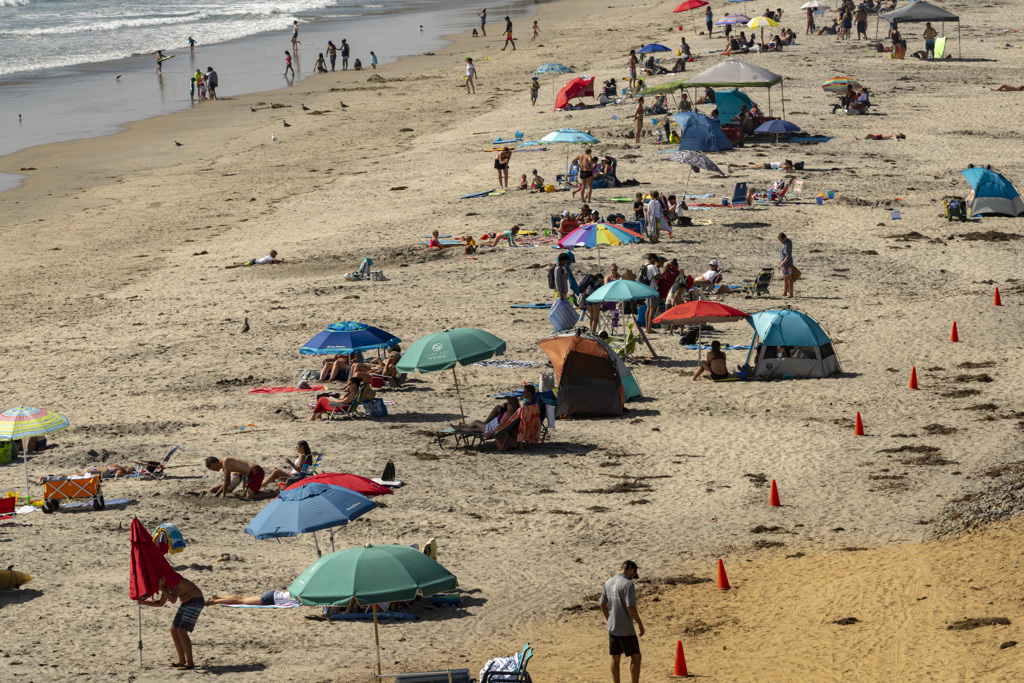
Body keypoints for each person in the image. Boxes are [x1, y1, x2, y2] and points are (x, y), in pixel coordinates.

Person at [139, 575, 204, 670]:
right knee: (173, 629)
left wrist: (162, 588)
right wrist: (143, 602)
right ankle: (181, 661)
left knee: (182, 631)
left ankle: (189, 663)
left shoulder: (174, 580)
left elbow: (173, 600)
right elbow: (161, 603)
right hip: (186, 602)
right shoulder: (165, 585)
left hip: (196, 601)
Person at [600, 560, 644, 683]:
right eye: (634, 574)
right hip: (626, 628)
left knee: (615, 657)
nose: (633, 577)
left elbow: (602, 604)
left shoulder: (608, 582)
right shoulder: (628, 584)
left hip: (612, 627)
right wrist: (640, 624)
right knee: (636, 656)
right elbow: (631, 607)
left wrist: (609, 619)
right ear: (631, 570)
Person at [206, 456, 275, 499]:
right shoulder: (224, 467)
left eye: (211, 469)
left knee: (249, 496)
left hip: (256, 471)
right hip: (251, 475)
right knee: (246, 494)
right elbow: (226, 482)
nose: (213, 470)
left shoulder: (226, 461)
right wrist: (217, 494)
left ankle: (274, 493)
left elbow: (227, 481)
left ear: (212, 465)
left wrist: (223, 495)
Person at [450, 396, 520, 434]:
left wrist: (490, 433)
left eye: (507, 404)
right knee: (476, 429)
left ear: (512, 405)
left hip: (491, 428)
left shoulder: (509, 413)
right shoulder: (514, 413)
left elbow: (500, 425)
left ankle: (462, 426)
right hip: (492, 426)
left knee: (476, 422)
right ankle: (460, 428)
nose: (506, 405)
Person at [639, 253, 662, 334]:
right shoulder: (652, 267)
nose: (655, 262)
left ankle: (647, 328)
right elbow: (659, 277)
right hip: (652, 289)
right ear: (652, 259)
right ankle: (649, 328)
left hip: (646, 289)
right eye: (655, 260)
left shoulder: (644, 266)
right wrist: (665, 270)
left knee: (648, 308)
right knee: (652, 309)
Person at [206, 590, 299, 607]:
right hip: (270, 599)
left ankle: (219, 597)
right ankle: (214, 601)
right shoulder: (302, 598)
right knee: (241, 601)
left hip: (273, 593)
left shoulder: (299, 591)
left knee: (242, 598)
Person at [778, 232, 794, 298]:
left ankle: (791, 294)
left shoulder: (787, 244)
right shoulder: (785, 242)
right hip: (784, 265)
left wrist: (781, 264)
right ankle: (785, 292)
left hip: (788, 264)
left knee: (789, 278)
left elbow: (788, 256)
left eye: (781, 240)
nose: (780, 241)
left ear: (784, 238)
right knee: (785, 277)